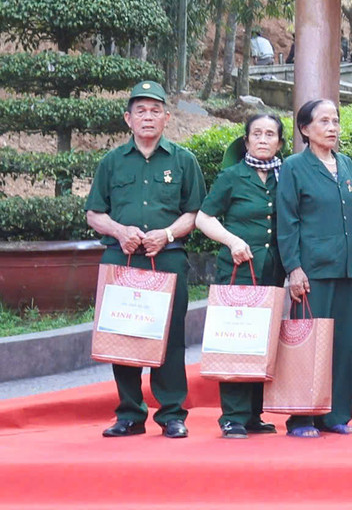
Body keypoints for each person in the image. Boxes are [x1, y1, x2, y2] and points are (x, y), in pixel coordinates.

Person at [86, 80, 205, 439]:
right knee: (122, 334)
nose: (148, 117)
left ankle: (171, 414)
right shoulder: (112, 162)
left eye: (155, 111)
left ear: (167, 117)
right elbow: (94, 213)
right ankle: (129, 414)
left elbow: (194, 212)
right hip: (121, 258)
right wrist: (120, 231)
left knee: (170, 338)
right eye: (141, 111)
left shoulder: (184, 160)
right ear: (128, 118)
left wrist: (166, 234)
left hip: (166, 258)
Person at [277, 98, 352, 437]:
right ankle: (301, 417)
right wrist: (294, 268)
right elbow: (288, 220)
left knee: (346, 344)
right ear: (305, 129)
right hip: (313, 270)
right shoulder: (294, 166)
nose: (332, 128)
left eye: (335, 121)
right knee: (307, 344)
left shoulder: (345, 163)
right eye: (324, 121)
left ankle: (335, 415)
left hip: (347, 269)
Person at [196, 112, 287, 438]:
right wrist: (232, 241)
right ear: (246, 140)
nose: (263, 140)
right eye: (257, 134)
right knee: (236, 338)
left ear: (279, 141)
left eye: (270, 134)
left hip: (272, 271)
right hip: (237, 270)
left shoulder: (285, 176)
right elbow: (203, 219)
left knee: (262, 340)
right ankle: (232, 416)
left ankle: (253, 415)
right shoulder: (232, 176)